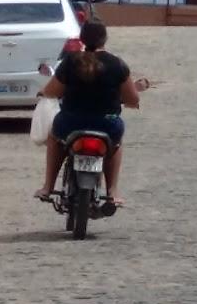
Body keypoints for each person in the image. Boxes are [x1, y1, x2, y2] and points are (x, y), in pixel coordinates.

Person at [35, 20, 142, 207]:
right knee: (115, 144)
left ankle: (48, 186)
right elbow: (133, 99)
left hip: (70, 123)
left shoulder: (71, 61)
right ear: (105, 38)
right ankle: (112, 191)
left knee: (54, 138)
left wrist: (44, 93)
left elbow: (53, 91)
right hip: (107, 124)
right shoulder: (117, 64)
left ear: (82, 38)